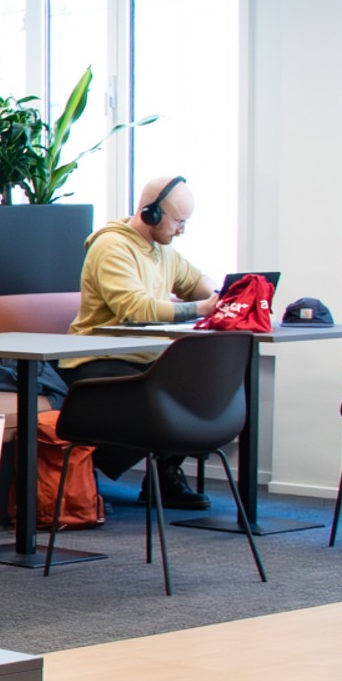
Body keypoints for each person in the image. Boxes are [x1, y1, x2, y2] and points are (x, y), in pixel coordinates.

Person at [61, 174, 220, 509]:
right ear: (151, 214)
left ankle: (165, 474)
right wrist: (200, 309)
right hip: (93, 358)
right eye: (178, 222)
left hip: (140, 355)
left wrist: (220, 294)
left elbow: (194, 280)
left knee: (203, 381)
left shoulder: (162, 251)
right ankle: (152, 471)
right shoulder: (111, 247)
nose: (181, 231)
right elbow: (133, 308)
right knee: (169, 385)